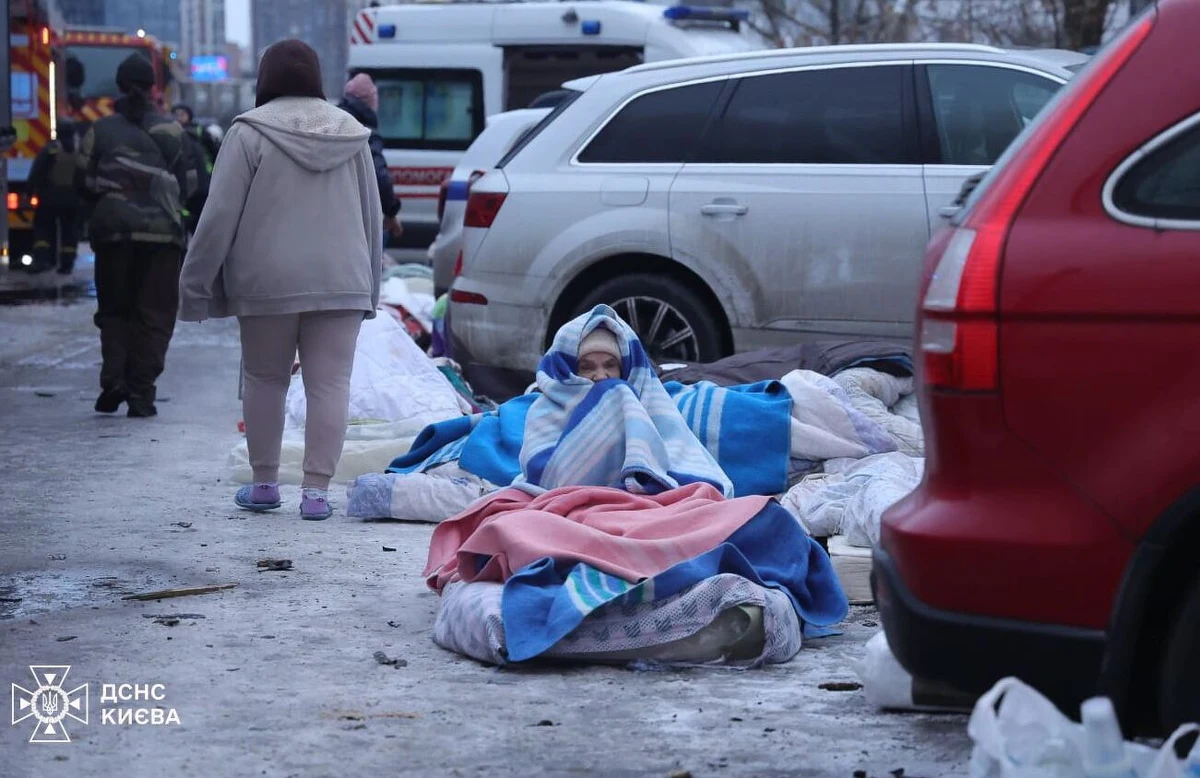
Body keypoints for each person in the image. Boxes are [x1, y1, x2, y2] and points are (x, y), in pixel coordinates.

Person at [178, 39, 383, 521]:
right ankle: (316, 494)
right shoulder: (351, 133)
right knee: (330, 384)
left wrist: (194, 287)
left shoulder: (248, 133)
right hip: (342, 279)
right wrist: (369, 288)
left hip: (265, 282)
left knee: (265, 379)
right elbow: (370, 217)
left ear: (265, 79)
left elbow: (218, 216)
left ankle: (265, 484)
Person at [76, 53, 195, 418]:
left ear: (118, 85)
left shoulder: (100, 130)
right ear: (153, 87)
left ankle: (114, 380)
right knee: (155, 314)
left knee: (114, 310)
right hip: (162, 239)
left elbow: (83, 179)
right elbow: (190, 185)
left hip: (112, 235)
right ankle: (141, 394)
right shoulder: (172, 131)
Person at [337, 73, 402, 244]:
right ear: (371, 101)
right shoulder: (365, 134)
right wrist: (391, 211)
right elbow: (380, 178)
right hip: (354, 218)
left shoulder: (335, 124)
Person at [27, 119, 82, 275]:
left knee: (43, 227)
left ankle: (43, 259)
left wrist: (29, 191)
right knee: (70, 231)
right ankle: (67, 263)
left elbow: (37, 172)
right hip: (72, 199)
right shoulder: (80, 150)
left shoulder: (51, 150)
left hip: (49, 198)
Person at [171, 104, 218, 234]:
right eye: (176, 114)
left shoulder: (199, 131)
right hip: (181, 183)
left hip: (202, 183)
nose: (179, 118)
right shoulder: (170, 134)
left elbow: (216, 152)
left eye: (182, 114)